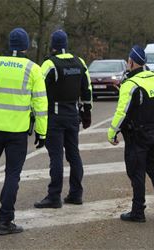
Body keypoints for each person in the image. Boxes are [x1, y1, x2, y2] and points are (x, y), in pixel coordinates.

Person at [0, 28, 48, 235]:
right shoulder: (33, 69)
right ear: (26, 46)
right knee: (12, 175)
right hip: (18, 132)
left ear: (9, 44)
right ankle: (5, 222)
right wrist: (42, 133)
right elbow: (40, 104)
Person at [107, 45, 154, 222]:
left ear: (131, 62)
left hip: (137, 136)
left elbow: (122, 112)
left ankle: (138, 211)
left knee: (137, 173)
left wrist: (112, 132)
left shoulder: (131, 84)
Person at [34, 30, 92, 209]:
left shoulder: (49, 64)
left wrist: (35, 118)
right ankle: (76, 194)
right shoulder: (79, 62)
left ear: (52, 45)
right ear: (66, 44)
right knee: (74, 154)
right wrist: (87, 112)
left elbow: (38, 90)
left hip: (55, 116)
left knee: (56, 157)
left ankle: (54, 196)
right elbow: (87, 88)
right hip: (73, 115)